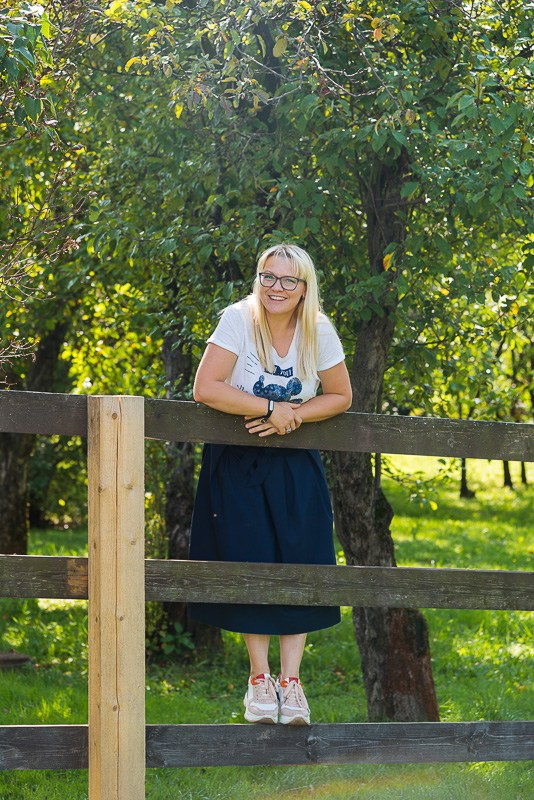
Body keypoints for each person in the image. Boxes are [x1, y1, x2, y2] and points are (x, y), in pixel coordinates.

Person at [189, 243, 352, 725]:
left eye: (288, 280)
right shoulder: (238, 320)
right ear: (257, 279)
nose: (277, 288)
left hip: (294, 459)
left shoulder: (318, 328)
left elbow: (341, 395)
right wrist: (268, 408)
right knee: (250, 559)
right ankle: (259, 680)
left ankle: (292, 683)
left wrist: (295, 415)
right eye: (268, 277)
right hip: (237, 460)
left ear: (305, 288)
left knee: (302, 560)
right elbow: (205, 388)